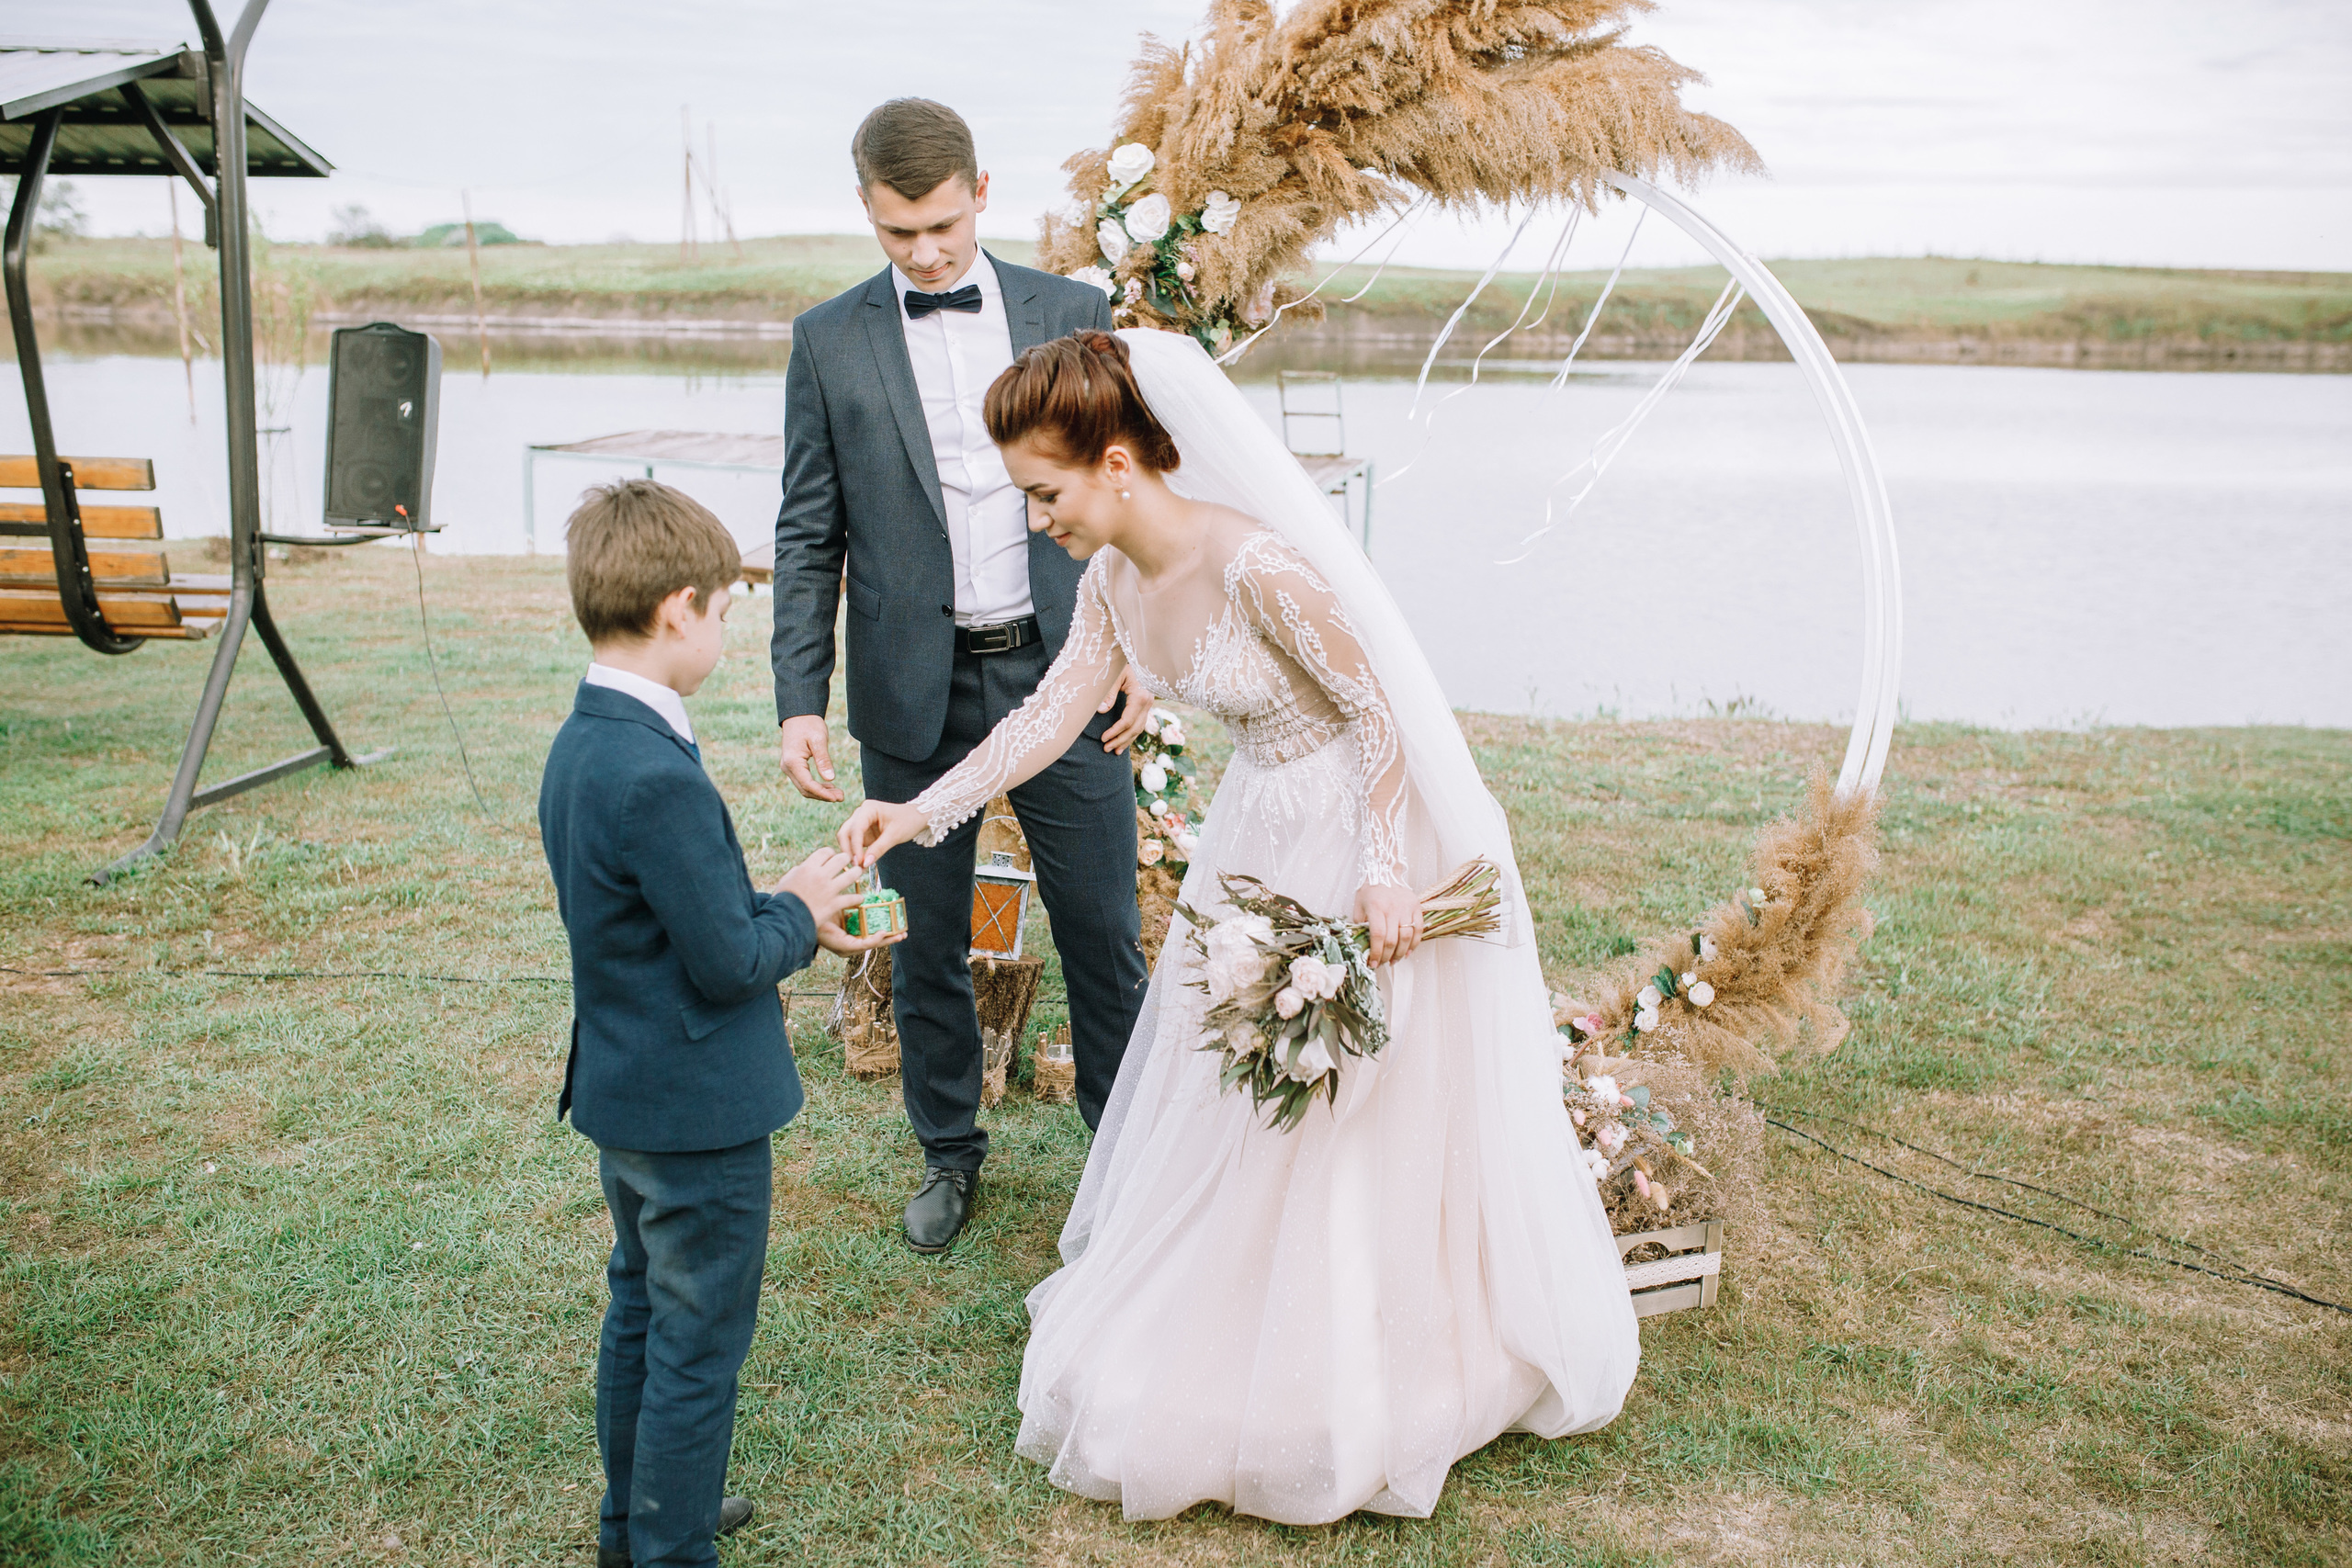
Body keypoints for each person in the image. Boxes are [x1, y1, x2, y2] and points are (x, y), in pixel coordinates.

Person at [839, 332, 1641, 1524]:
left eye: (1045, 492)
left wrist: (1380, 871)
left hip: (1357, 834)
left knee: (1345, 1100)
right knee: (1237, 1084)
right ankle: (1236, 1322)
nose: (1037, 518)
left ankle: (1362, 1356)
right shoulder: (1111, 580)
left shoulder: (1261, 564)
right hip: (1256, 835)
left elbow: (1379, 716)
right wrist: (920, 808)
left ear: (1116, 463)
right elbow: (1048, 719)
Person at [770, 98, 1155, 1257]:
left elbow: (1130, 492)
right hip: (908, 692)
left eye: (941, 226)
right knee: (918, 940)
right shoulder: (826, 341)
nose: (927, 253)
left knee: (1103, 931)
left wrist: (1133, 649)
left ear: (982, 193)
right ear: (867, 215)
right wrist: (800, 695)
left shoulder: (1075, 313)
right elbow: (806, 532)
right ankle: (948, 1154)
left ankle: (1129, 1168)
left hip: (1063, 675)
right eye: (901, 236)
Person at [540, 479, 898, 1568]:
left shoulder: (586, 739)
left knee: (641, 1313)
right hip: (698, 1116)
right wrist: (798, 908)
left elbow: (675, 922)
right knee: (696, 1342)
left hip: (629, 1094)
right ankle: (670, 1546)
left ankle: (644, 1515)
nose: (729, 637)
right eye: (728, 615)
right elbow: (732, 960)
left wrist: (788, 909)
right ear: (677, 609)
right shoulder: (657, 774)